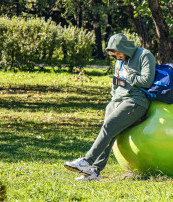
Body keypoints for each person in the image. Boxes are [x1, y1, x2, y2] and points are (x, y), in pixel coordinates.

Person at [64, 33, 156, 181]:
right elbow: (116, 82)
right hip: (117, 100)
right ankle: (93, 172)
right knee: (109, 132)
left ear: (125, 48)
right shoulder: (119, 61)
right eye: (114, 55)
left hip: (136, 100)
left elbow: (147, 81)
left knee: (109, 125)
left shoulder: (144, 55)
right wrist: (113, 97)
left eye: (119, 53)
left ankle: (86, 161)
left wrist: (128, 76)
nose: (117, 57)